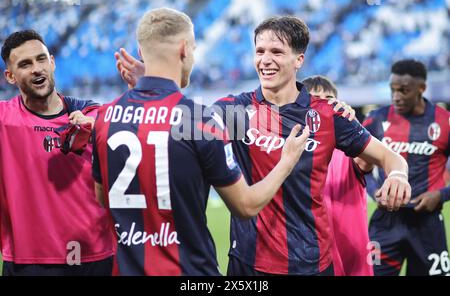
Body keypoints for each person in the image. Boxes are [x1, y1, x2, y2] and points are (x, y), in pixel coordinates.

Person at [115, 15, 411, 276]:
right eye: (259, 51)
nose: (265, 60)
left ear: (299, 60)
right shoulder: (234, 112)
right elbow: (173, 124)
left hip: (312, 264)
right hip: (247, 264)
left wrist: (397, 175)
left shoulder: (327, 114)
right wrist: (151, 85)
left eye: (276, 52)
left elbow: (390, 158)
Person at [92, 7, 311, 276]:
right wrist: (286, 162)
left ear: (141, 51)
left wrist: (146, 86)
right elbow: (246, 206)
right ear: (184, 49)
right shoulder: (199, 122)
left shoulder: (106, 117)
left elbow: (102, 197)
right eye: (194, 49)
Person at [0, 29, 114, 275]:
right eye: (25, 64)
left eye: (41, 59)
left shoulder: (93, 114)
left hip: (95, 257)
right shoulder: (3, 119)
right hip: (30, 263)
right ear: (10, 76)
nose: (36, 69)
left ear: (52, 62)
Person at [363, 59, 450, 276]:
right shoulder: (376, 119)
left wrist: (441, 195)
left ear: (422, 88)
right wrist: (375, 192)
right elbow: (358, 168)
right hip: (386, 222)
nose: (396, 96)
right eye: (392, 90)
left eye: (403, 90)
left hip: (427, 223)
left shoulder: (445, 122)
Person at [302, 75, 374, 276]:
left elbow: (368, 159)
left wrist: (353, 124)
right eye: (315, 98)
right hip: (310, 251)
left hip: (351, 253)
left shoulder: (350, 150)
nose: (323, 104)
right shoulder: (292, 147)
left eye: (329, 99)